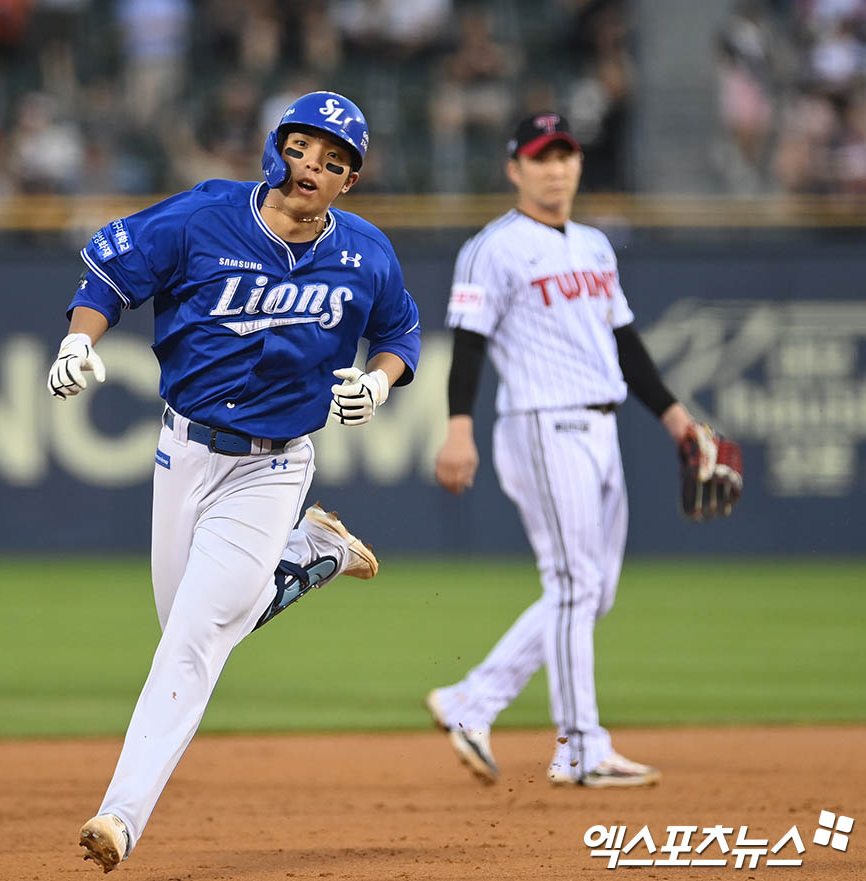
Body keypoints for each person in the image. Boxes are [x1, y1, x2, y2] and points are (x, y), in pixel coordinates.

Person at [48, 91, 421, 870]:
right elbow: (110, 276)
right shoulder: (203, 216)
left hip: (274, 463)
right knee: (186, 625)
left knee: (191, 643)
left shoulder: (365, 254)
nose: (313, 167)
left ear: (350, 181)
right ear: (275, 147)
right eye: (302, 148)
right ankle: (313, 552)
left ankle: (120, 816)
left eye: (334, 161)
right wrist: (79, 341)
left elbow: (399, 334)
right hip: (183, 450)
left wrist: (382, 383)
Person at [426, 111, 702, 788]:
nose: (556, 168)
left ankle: (473, 699)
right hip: (542, 422)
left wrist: (676, 419)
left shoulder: (596, 246)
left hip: (602, 425)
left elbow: (626, 346)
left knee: (590, 590)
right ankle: (580, 745)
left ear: (578, 164)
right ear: (515, 168)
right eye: (541, 157)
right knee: (577, 584)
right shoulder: (493, 247)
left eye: (565, 155)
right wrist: (458, 424)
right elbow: (467, 342)